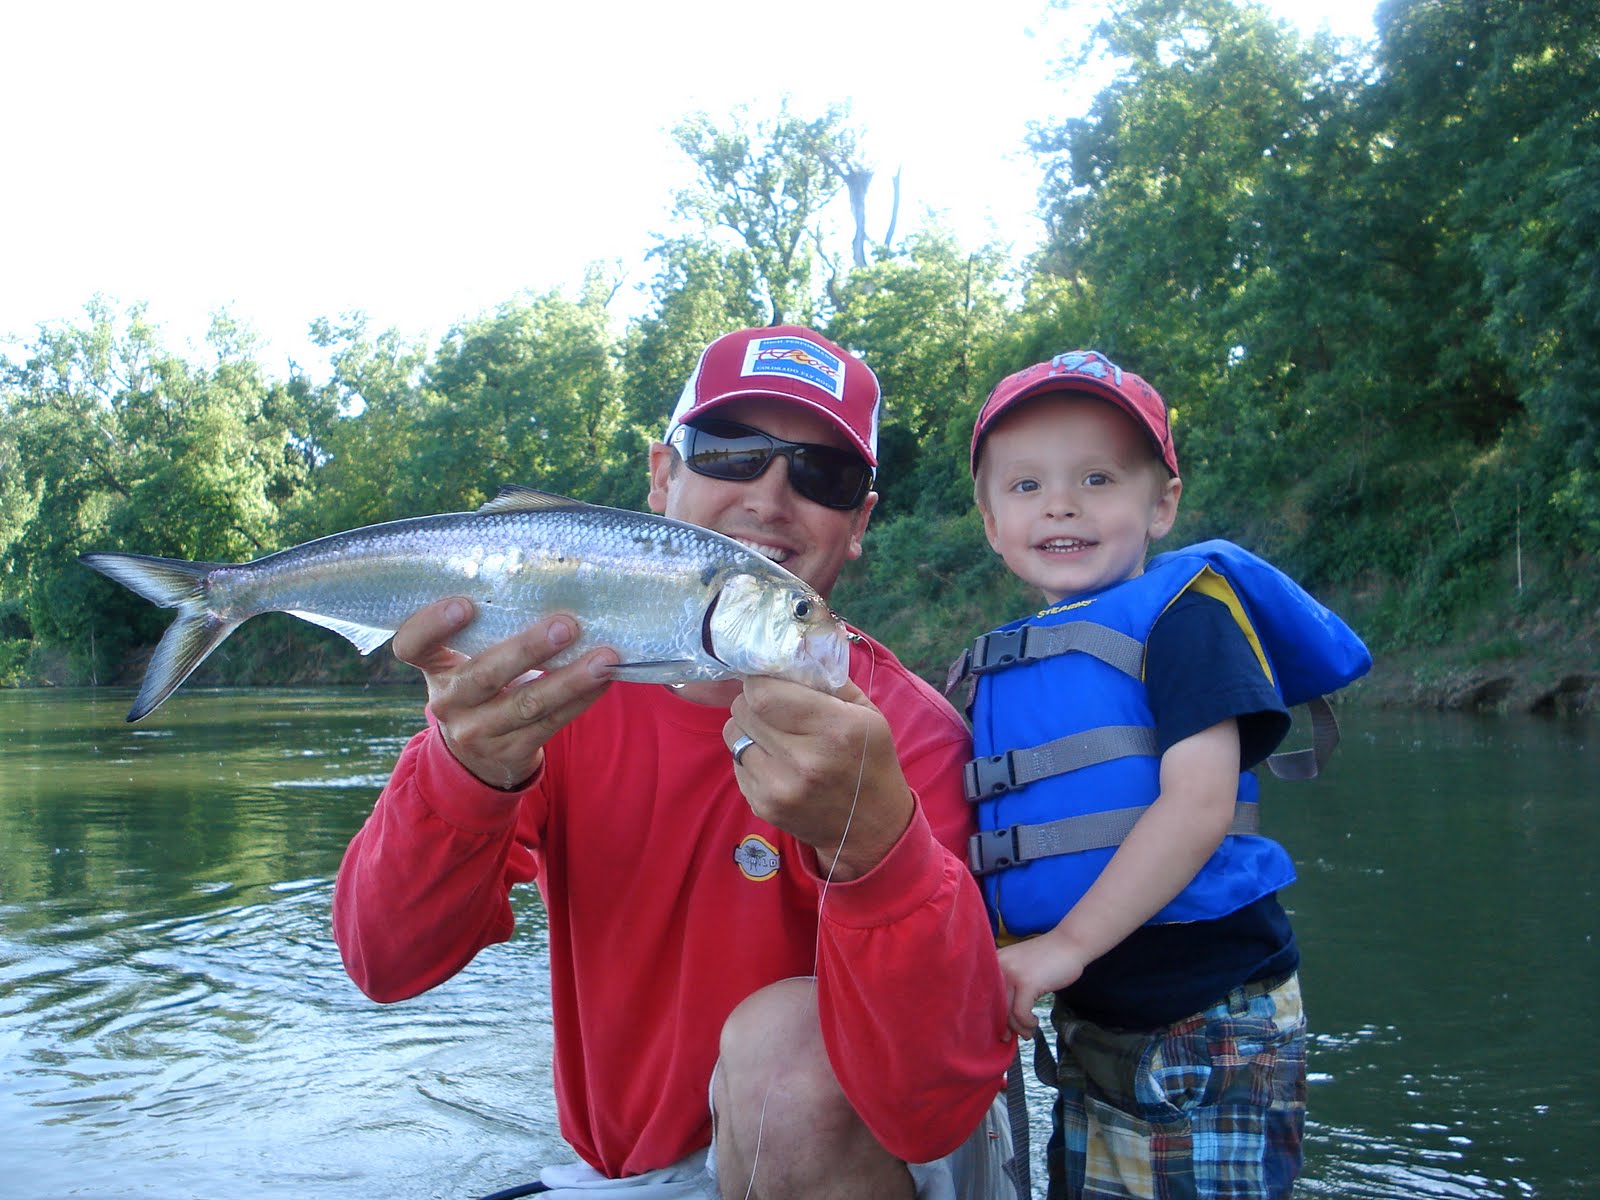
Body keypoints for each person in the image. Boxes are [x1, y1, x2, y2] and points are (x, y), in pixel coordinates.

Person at [333, 325, 1017, 1200]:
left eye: (823, 475)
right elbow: (384, 964)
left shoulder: (911, 737)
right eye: (731, 453)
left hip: (866, 1156)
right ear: (662, 479)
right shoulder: (543, 697)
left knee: (789, 1064)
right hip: (627, 1168)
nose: (770, 499)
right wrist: (460, 772)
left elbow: (937, 1104)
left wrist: (879, 847)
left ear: (859, 526)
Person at [956, 350, 1369, 1199]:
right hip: (1096, 1016)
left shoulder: (1186, 621)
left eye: (1098, 478)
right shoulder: (1003, 665)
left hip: (1206, 1013)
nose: (1061, 503)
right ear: (992, 522)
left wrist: (1063, 947)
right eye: (1025, 486)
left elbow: (1200, 802)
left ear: (1162, 503)